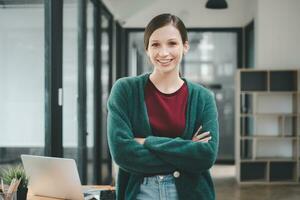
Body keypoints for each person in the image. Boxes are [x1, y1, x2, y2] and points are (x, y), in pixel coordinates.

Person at [107, 13, 219, 200]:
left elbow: (206, 156)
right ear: (147, 49)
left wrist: (147, 141)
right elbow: (122, 153)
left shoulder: (203, 97)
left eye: (172, 43)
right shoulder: (125, 90)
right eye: (155, 44)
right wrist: (187, 148)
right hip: (140, 193)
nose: (163, 52)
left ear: (185, 46)